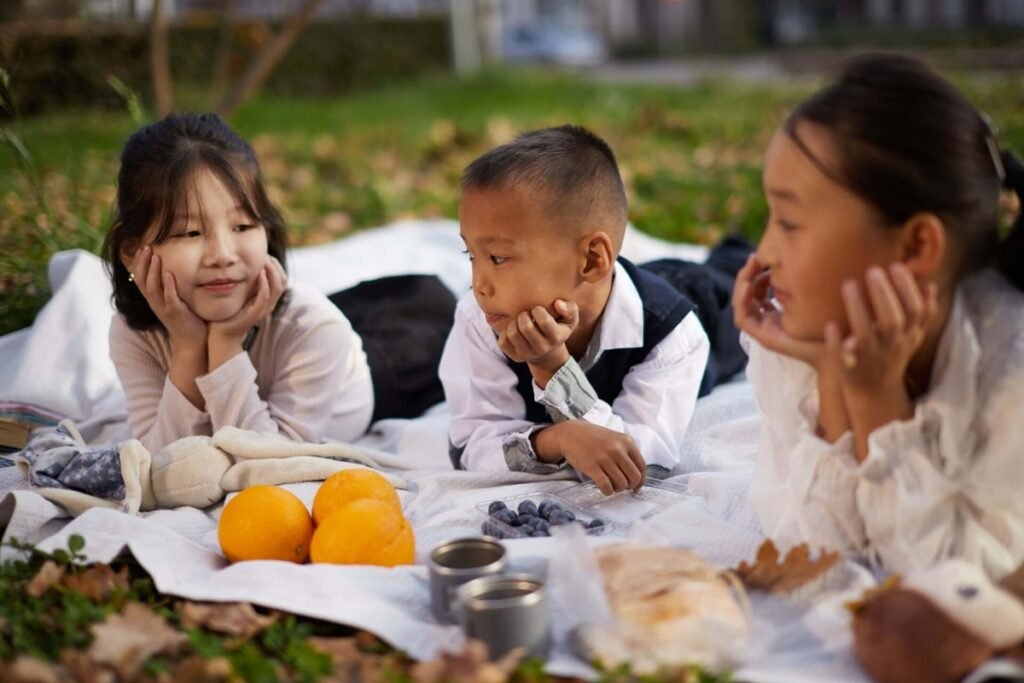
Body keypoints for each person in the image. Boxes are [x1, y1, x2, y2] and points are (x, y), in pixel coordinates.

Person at [734, 53, 1024, 578]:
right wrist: (832, 376)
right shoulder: (805, 340)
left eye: (791, 222)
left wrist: (873, 398)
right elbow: (819, 555)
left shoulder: (1011, 383)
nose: (765, 252)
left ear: (915, 246)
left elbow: (953, 590)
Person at [102, 113, 453, 453]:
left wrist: (224, 343)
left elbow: (264, 460)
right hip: (302, 335)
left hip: (391, 361)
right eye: (191, 232)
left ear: (266, 229)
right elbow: (163, 463)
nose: (222, 255)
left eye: (243, 226)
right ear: (133, 251)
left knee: (450, 329)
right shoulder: (133, 334)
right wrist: (189, 345)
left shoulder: (313, 327)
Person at [439, 125, 747, 495]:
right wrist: (558, 439)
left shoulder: (673, 332)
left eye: (498, 258)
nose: (479, 284)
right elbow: (470, 446)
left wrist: (553, 368)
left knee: (742, 284)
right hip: (610, 285)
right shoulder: (480, 319)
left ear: (590, 259)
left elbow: (642, 464)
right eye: (470, 255)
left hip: (706, 303)